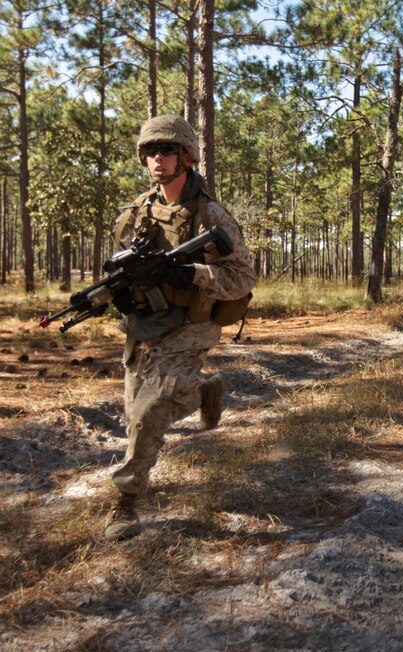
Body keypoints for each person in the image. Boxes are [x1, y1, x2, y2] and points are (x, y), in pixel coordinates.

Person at [104, 115, 256, 541]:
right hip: (144, 326)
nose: (158, 158)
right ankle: (204, 390)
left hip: (190, 325)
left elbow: (243, 279)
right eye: (151, 151)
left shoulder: (210, 215)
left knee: (147, 415)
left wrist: (194, 276)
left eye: (168, 150)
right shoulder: (136, 213)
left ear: (186, 156)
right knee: (134, 412)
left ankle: (127, 503)